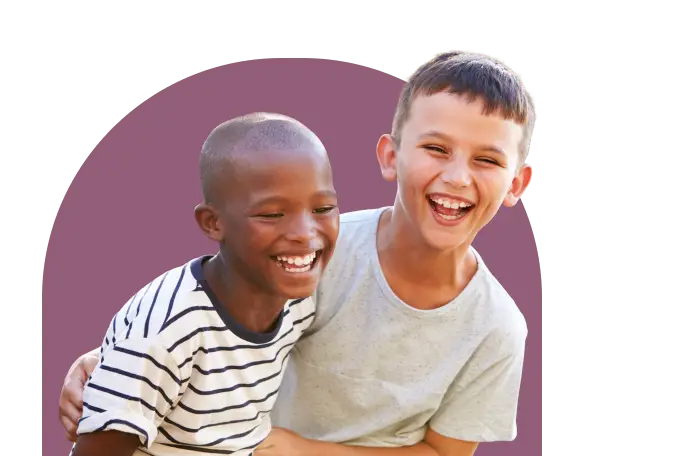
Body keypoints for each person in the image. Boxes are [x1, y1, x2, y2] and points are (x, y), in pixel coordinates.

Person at [59, 49, 537, 456]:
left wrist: (297, 449)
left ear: (517, 183)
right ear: (391, 157)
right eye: (436, 148)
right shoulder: (316, 247)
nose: (456, 177)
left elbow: (442, 453)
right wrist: (112, 361)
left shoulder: (496, 328)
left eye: (487, 159)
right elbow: (206, 314)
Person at [66, 112, 340, 456]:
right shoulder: (165, 337)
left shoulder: (299, 292)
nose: (305, 233)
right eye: (271, 214)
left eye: (324, 207)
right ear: (213, 223)